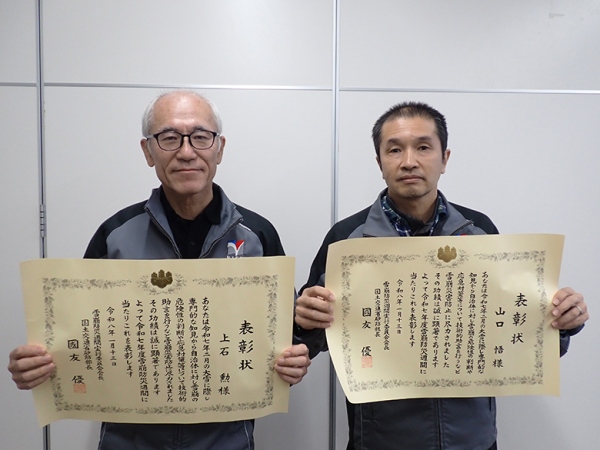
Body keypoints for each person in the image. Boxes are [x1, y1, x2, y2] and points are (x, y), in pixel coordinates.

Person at [8, 90, 311, 450]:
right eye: (169, 138)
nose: (186, 152)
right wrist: (38, 366)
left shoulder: (257, 235)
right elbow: (78, 336)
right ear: (148, 151)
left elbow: (286, 335)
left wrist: (295, 357)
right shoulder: (114, 236)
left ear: (219, 148)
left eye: (201, 136)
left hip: (226, 438)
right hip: (129, 440)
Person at [294, 101, 589, 450]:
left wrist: (562, 322)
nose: (409, 161)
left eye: (423, 147)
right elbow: (307, 341)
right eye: (394, 150)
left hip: (472, 439)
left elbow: (511, 331)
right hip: (381, 439)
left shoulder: (479, 232)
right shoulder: (346, 239)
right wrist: (305, 320)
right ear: (379, 163)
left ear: (444, 158)